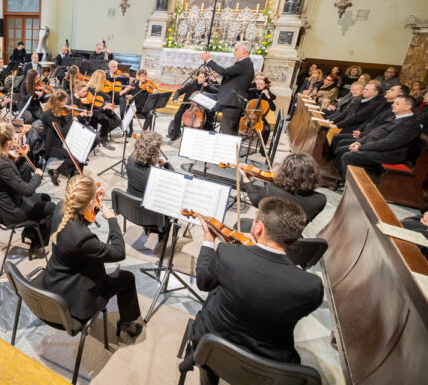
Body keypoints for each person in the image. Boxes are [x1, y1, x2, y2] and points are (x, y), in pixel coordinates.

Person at [182, 197, 323, 385]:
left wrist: (208, 240)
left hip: (212, 346)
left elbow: (203, 282)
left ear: (258, 228)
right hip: (268, 367)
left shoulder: (228, 254)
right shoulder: (310, 286)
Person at [43, 175, 142, 338]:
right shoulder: (83, 239)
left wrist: (95, 204)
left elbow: (82, 220)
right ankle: (127, 323)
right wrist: (112, 220)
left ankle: (127, 322)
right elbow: (119, 252)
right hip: (74, 297)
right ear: (88, 202)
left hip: (55, 280)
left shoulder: (61, 206)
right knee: (127, 278)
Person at [0, 122, 54, 255]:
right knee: (51, 207)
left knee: (45, 197)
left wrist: (20, 157)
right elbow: (27, 190)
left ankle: (30, 232)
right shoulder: (3, 165)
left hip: (10, 201)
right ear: (7, 142)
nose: (14, 142)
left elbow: (11, 177)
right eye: (13, 138)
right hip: (12, 211)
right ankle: (37, 244)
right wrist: (37, 176)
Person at [335, 95, 421, 179]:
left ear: (407, 107)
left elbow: (388, 143)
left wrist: (361, 148)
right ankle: (340, 176)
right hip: (379, 147)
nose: (392, 105)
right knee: (342, 147)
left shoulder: (410, 125)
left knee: (348, 155)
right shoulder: (395, 118)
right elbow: (375, 132)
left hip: (390, 154)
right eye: (394, 103)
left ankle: (347, 184)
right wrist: (359, 142)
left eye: (397, 104)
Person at [238, 153, 326, 226]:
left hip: (269, 234)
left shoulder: (271, 189)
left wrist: (246, 178)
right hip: (294, 241)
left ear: (285, 170)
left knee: (242, 223)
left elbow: (255, 201)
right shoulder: (321, 199)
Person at [200, 42, 255, 135]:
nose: (234, 52)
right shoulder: (246, 63)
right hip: (234, 102)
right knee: (231, 131)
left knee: (226, 131)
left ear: (244, 51)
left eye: (236, 50)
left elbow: (224, 72)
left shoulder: (243, 64)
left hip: (233, 102)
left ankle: (224, 148)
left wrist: (209, 60)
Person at [331, 83, 404, 151]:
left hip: (368, 134)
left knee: (339, 140)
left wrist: (361, 133)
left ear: (375, 92)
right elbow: (369, 119)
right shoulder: (380, 103)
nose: (387, 91)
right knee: (336, 136)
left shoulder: (380, 104)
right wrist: (359, 130)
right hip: (361, 131)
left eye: (392, 90)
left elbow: (377, 125)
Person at [41, 89, 84, 186]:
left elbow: (65, 127)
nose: (66, 103)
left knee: (81, 151)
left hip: (63, 141)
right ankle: (55, 172)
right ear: (59, 102)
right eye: (65, 101)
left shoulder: (59, 111)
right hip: (53, 144)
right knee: (76, 156)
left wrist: (73, 117)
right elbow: (63, 132)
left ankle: (72, 174)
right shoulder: (48, 114)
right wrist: (74, 119)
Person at [167, 69, 218, 141]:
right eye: (200, 77)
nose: (202, 79)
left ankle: (206, 136)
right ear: (197, 76)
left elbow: (217, 91)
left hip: (202, 107)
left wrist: (209, 86)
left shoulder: (207, 83)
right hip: (189, 105)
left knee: (209, 118)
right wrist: (175, 98)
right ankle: (176, 133)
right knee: (178, 115)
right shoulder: (191, 83)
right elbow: (179, 91)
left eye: (204, 77)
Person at [127, 131, 172, 199]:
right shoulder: (156, 175)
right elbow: (173, 179)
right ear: (154, 152)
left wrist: (154, 164)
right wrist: (166, 164)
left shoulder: (130, 159)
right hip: (146, 205)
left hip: (130, 201)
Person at [246, 73, 277, 143]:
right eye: (257, 83)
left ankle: (262, 150)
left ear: (265, 85)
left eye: (261, 84)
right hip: (247, 114)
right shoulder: (251, 90)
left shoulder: (266, 93)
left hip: (259, 116)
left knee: (267, 129)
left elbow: (273, 108)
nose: (259, 86)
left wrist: (268, 96)